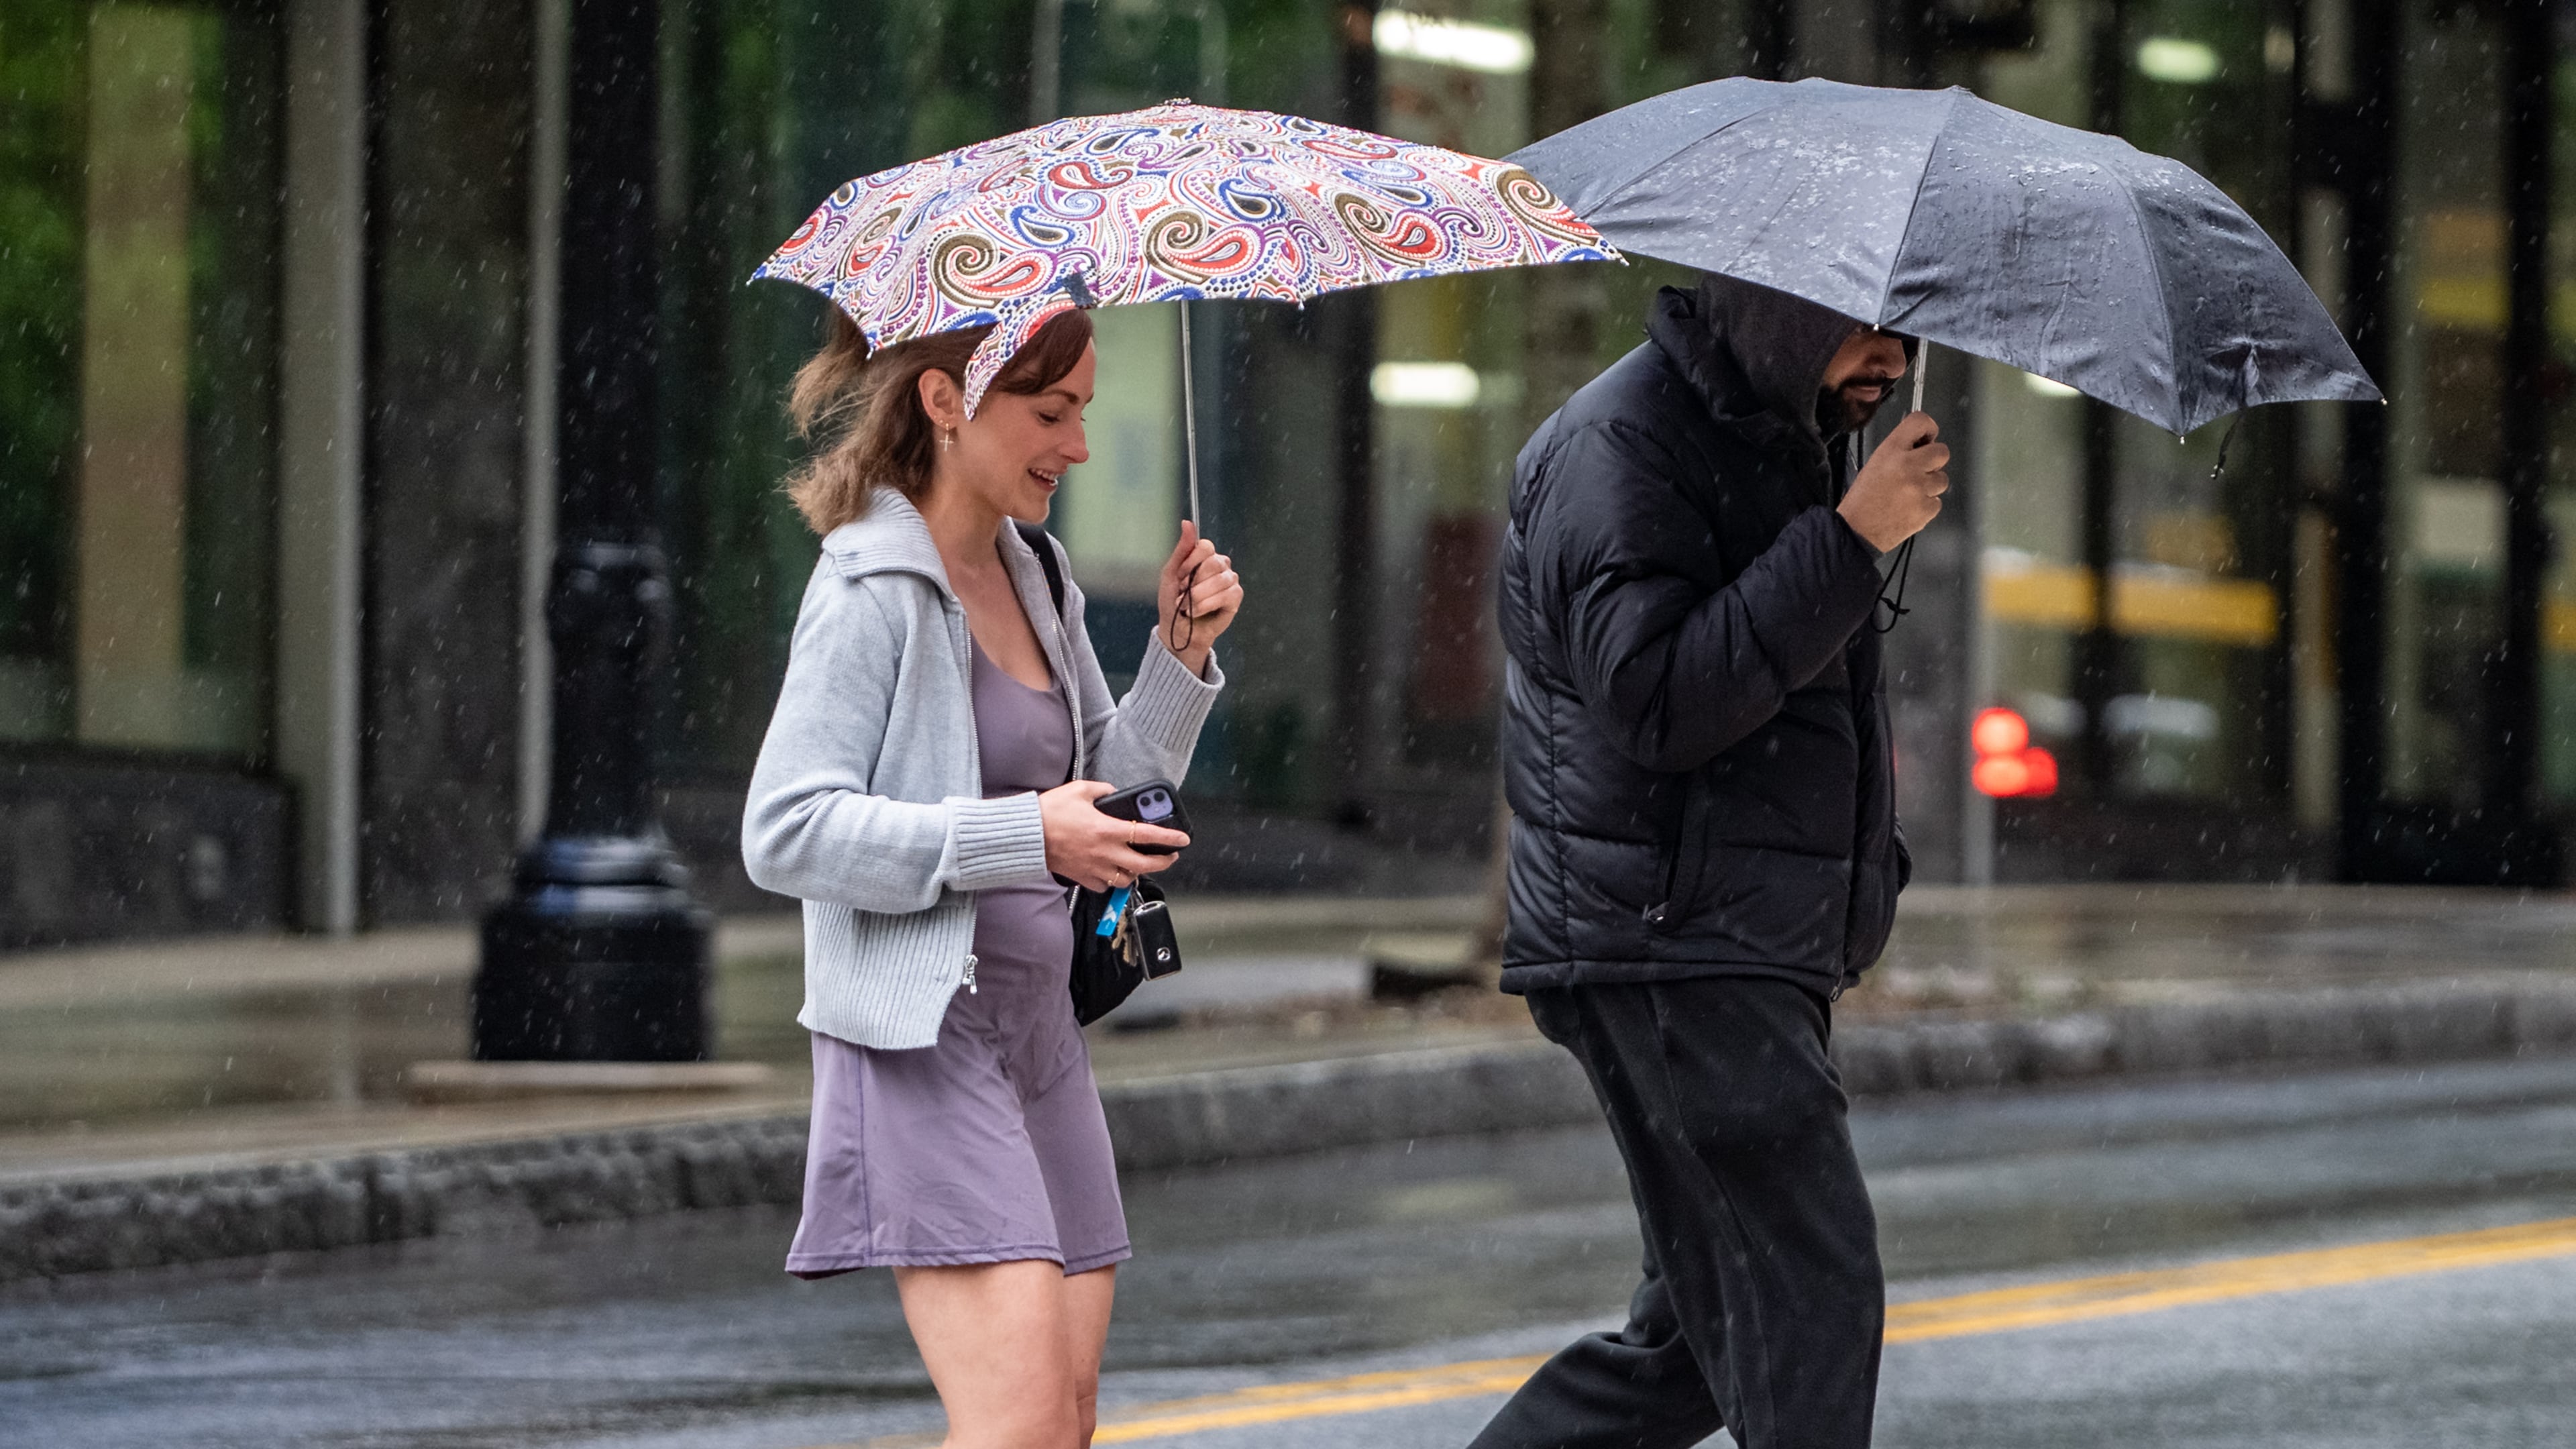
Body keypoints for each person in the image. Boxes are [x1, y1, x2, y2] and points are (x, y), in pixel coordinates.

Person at [741, 307, 1244, 1449]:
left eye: (1084, 417)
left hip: (1039, 1030)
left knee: (1063, 1422)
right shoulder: (870, 589)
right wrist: (1024, 838)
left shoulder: (1038, 574)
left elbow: (1105, 797)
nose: (1075, 447)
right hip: (924, 1036)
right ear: (944, 400)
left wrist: (1178, 653)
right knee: (1015, 1425)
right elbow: (785, 831)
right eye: (1049, 412)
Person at [1472, 273, 1947, 1449]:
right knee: (1811, 1303)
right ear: (1777, 307)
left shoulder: (1785, 433)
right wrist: (1847, 542)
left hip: (1723, 936)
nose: (1888, 357)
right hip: (1670, 939)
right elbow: (1661, 702)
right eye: (1863, 325)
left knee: (1697, 1344)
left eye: (1906, 328)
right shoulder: (1616, 445)